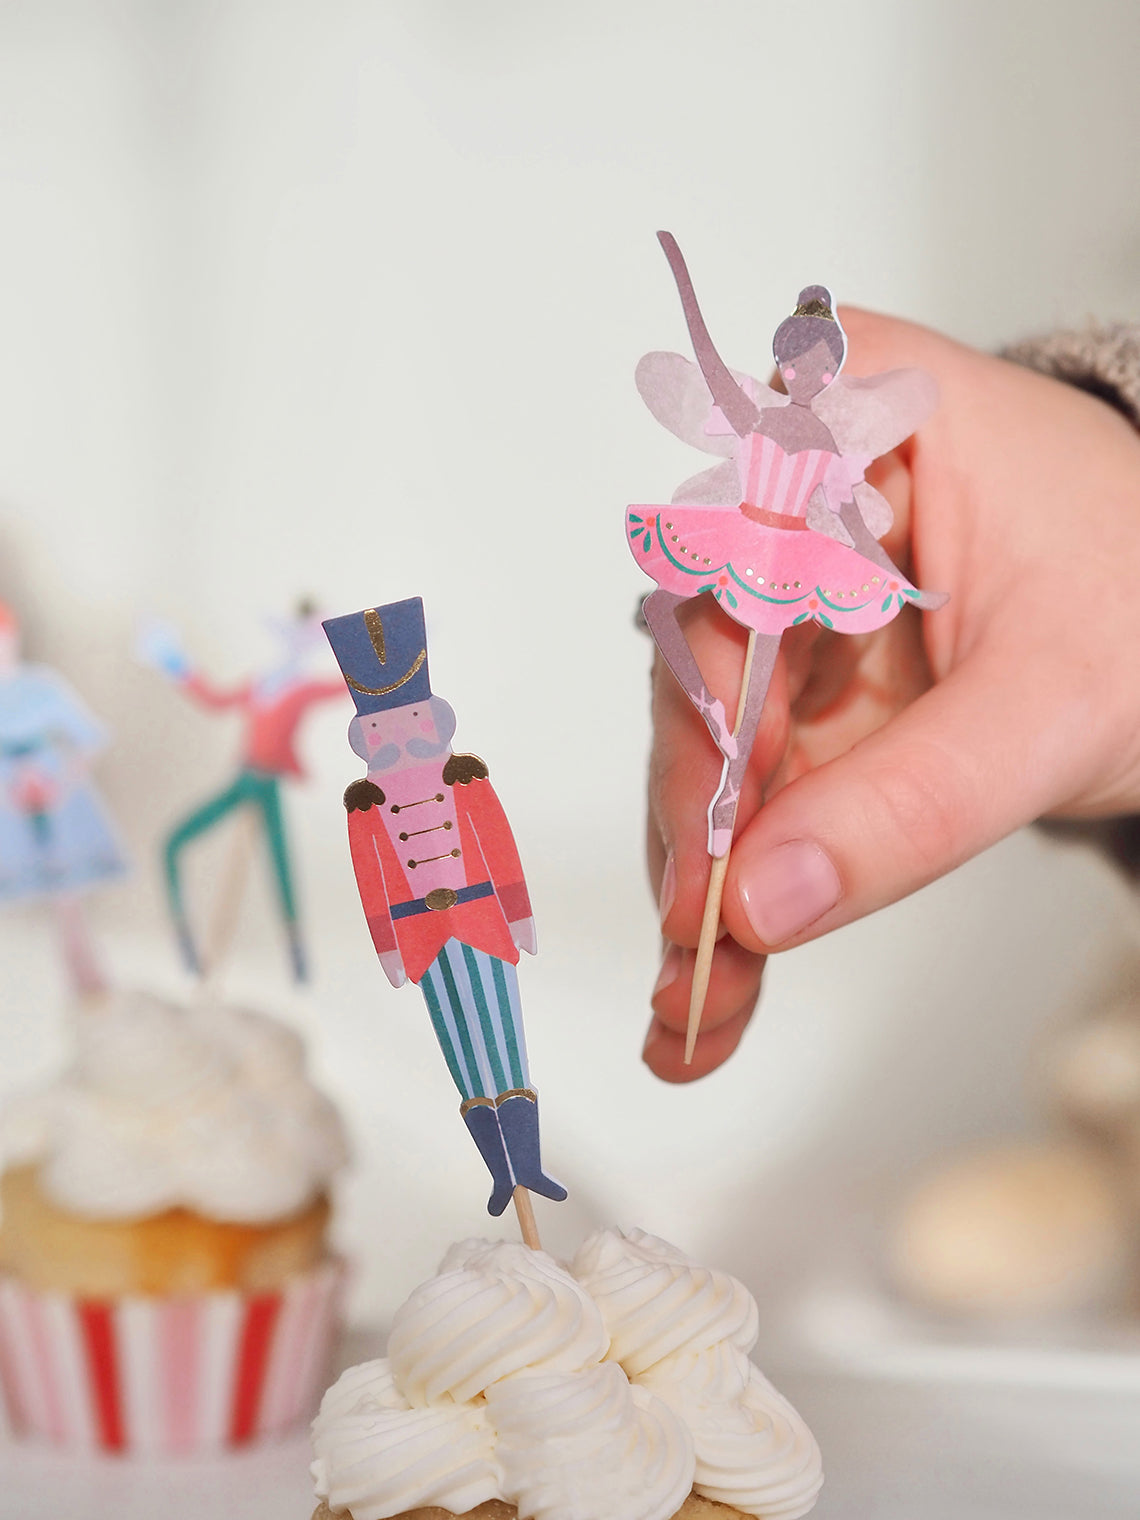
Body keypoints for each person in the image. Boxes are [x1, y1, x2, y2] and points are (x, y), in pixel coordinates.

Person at [643, 310, 1140, 1084]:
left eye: (817, 362)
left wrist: (898, 583)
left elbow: (850, 513)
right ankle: (712, 711)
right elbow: (705, 377)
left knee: (725, 683)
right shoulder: (762, 414)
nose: (805, 373)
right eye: (798, 360)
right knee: (665, 612)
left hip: (797, 566)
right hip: (748, 549)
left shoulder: (831, 442)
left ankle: (717, 721)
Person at [323, 597, 566, 1217]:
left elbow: (499, 846)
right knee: (462, 1053)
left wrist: (518, 913)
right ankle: (500, 1173)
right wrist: (387, 946)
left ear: (433, 719)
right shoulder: (363, 808)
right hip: (419, 936)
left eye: (409, 720)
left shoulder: (467, 779)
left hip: (482, 917)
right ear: (365, 737)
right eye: (382, 729)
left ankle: (529, 1164)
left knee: (505, 1042)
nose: (397, 737)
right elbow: (372, 880)